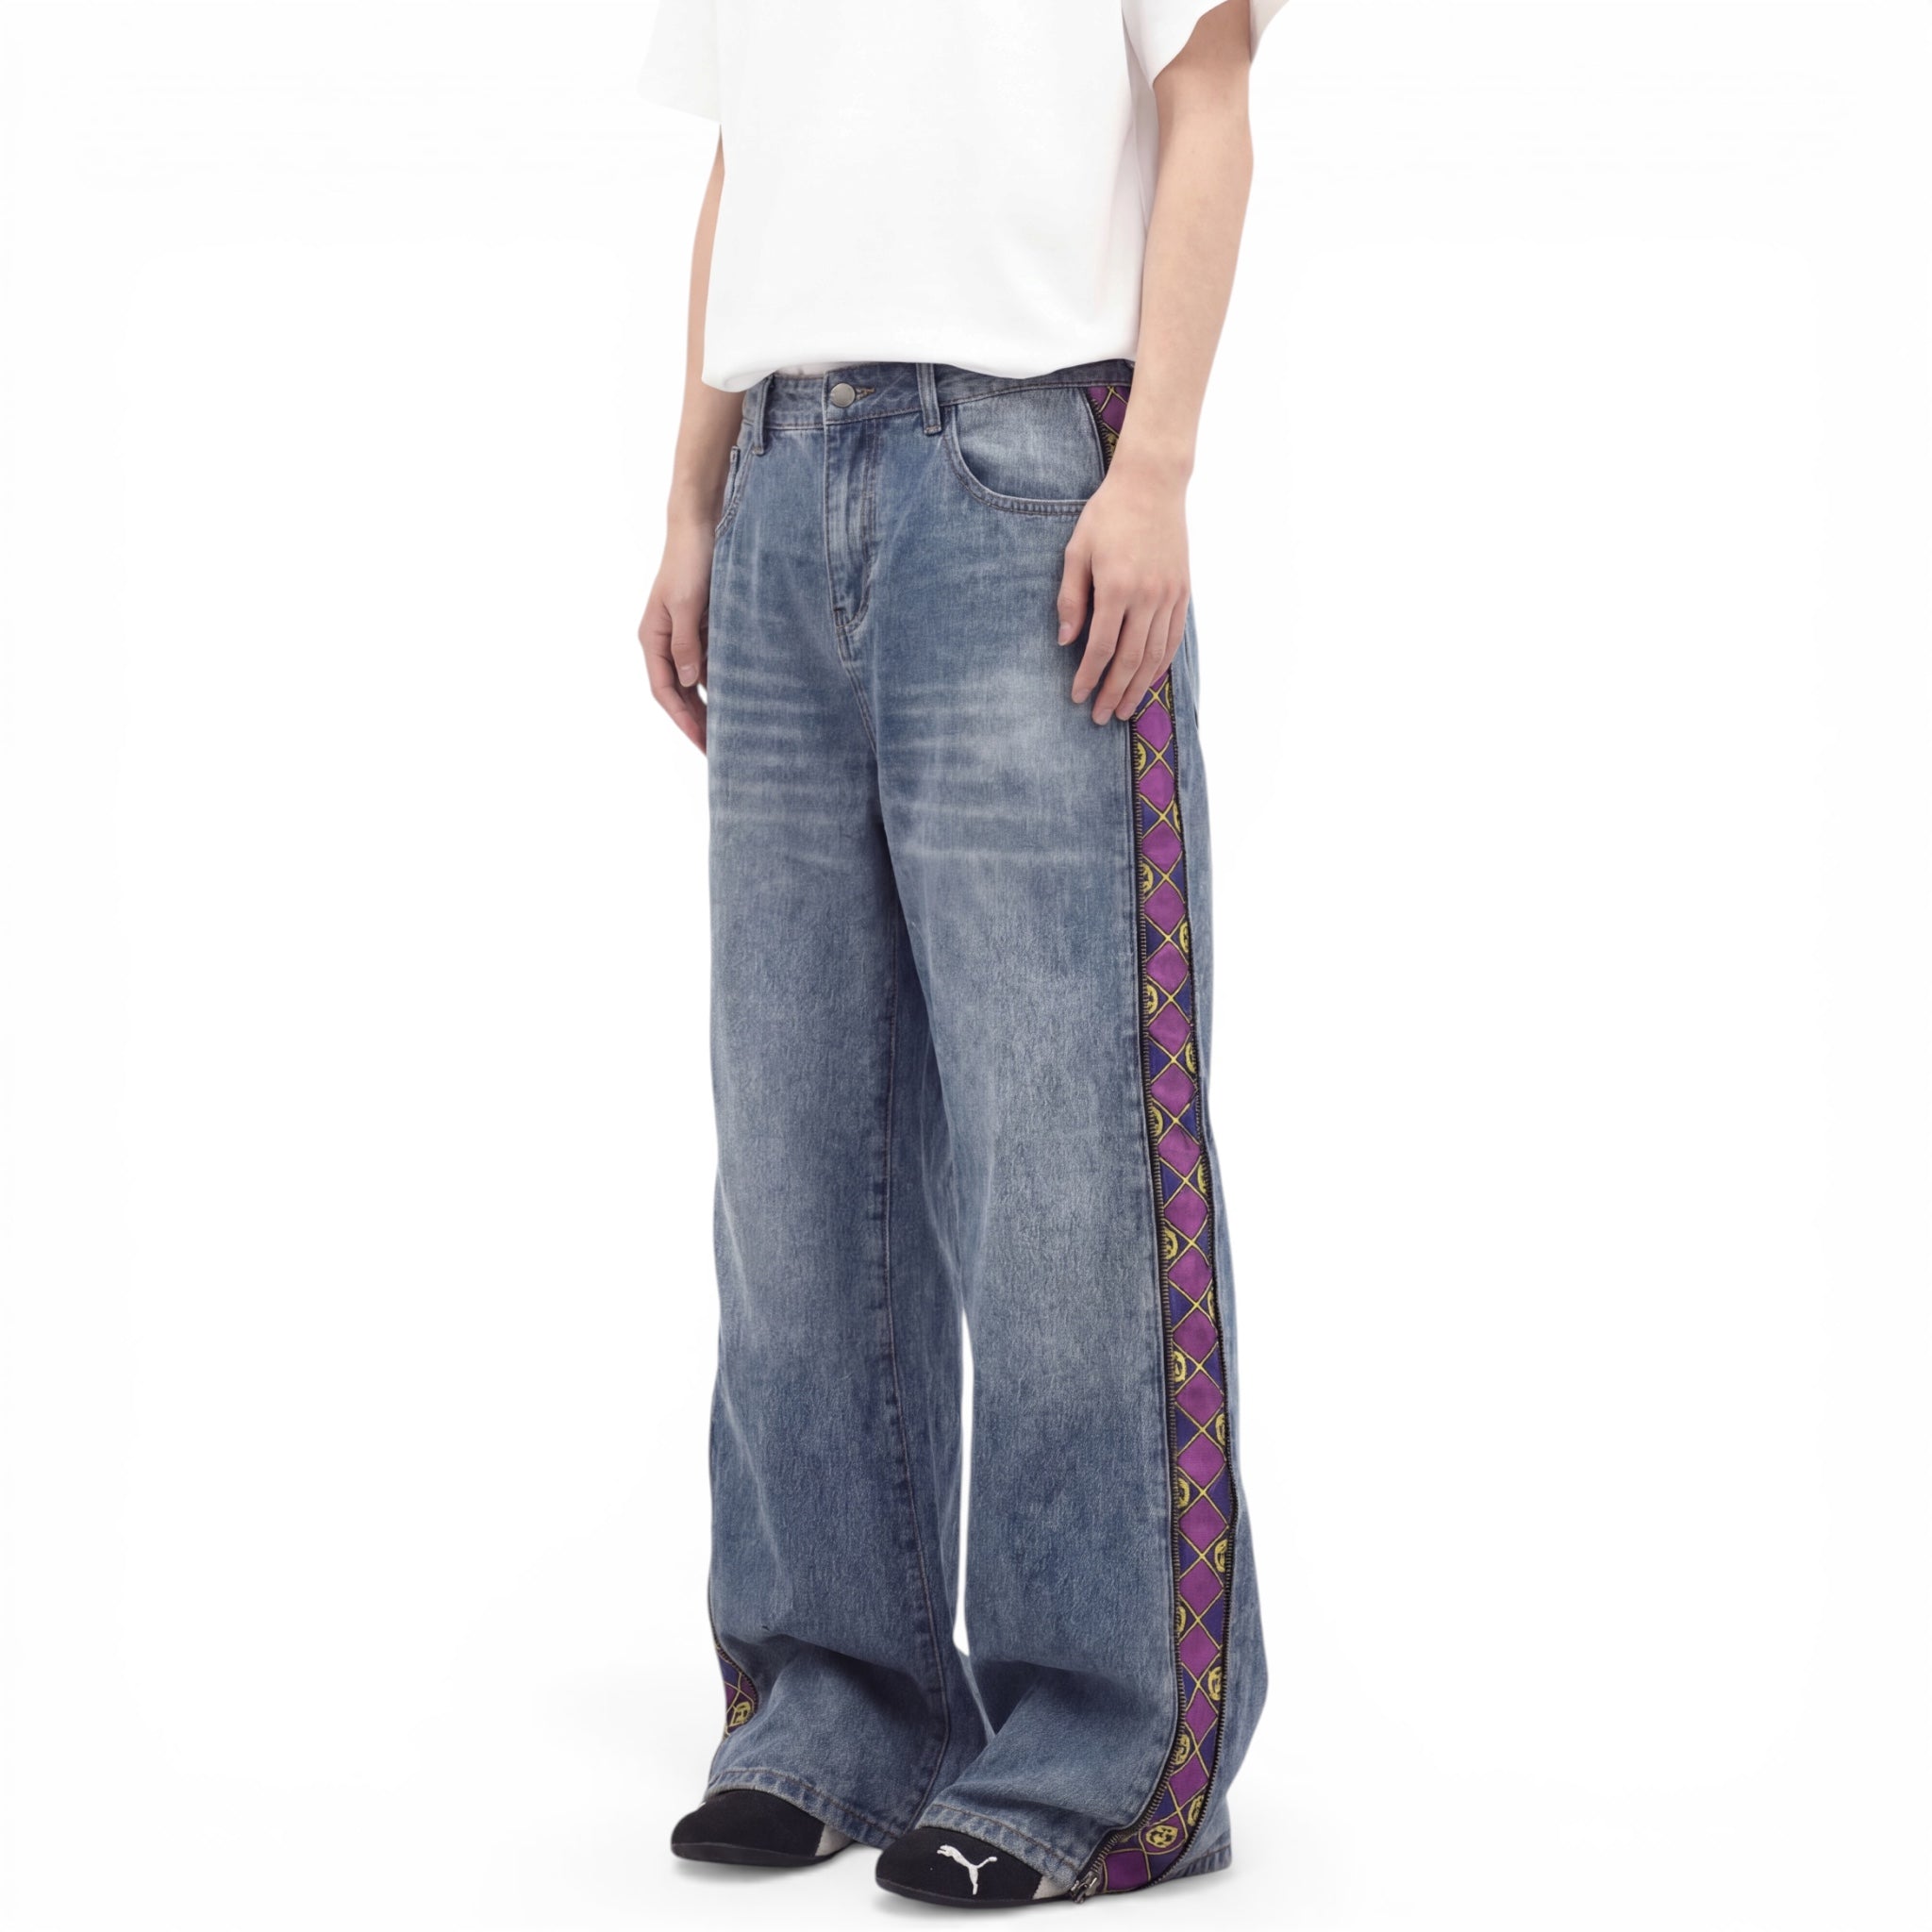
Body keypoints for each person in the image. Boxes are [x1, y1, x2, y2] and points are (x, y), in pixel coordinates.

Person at [635, 0, 1281, 1907]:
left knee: (1068, 1145)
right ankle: (835, 1697)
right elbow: (752, 159)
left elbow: (1211, 103)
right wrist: (691, 496)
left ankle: (1109, 1748)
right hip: (784, 469)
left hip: (1024, 475)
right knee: (795, 1142)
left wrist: (1154, 468)